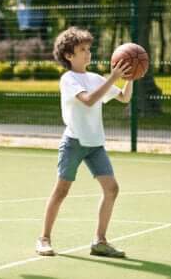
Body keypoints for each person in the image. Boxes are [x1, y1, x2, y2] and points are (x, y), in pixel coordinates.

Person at [36, 27, 133, 258]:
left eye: (89, 49)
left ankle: (100, 241)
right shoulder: (68, 79)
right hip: (74, 143)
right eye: (82, 50)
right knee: (61, 192)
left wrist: (131, 77)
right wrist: (113, 78)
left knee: (112, 189)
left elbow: (123, 97)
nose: (88, 53)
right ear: (69, 56)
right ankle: (44, 238)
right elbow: (88, 100)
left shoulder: (95, 78)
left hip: (95, 144)